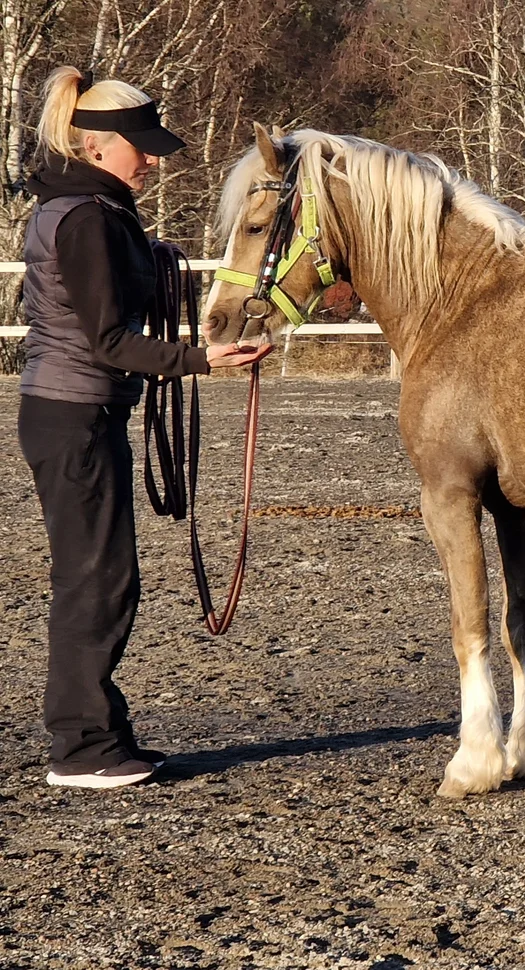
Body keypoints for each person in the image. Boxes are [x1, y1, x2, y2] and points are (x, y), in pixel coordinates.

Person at [18, 66, 273, 790]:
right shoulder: (90, 217)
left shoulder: (83, 207)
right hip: (78, 413)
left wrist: (155, 262)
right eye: (142, 147)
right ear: (98, 145)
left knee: (99, 577)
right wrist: (201, 357)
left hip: (72, 412)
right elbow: (107, 339)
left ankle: (100, 734)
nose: (153, 159)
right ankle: (82, 747)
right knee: (96, 581)